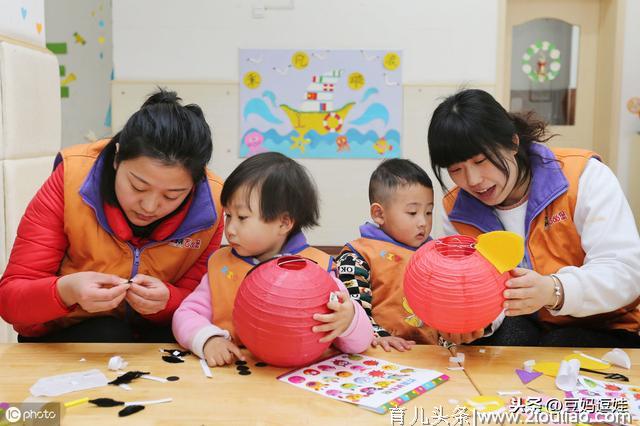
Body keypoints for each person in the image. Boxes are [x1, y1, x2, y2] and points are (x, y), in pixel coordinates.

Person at [0, 89, 225, 342]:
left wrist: (169, 301)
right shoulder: (71, 179)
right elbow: (11, 301)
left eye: (172, 196)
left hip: (156, 336)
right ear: (117, 156)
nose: (150, 206)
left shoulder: (212, 205)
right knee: (108, 332)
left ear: (195, 184)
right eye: (138, 187)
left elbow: (204, 301)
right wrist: (66, 291)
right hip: (66, 337)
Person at [427, 88, 640, 347]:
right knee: (498, 347)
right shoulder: (456, 208)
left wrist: (554, 290)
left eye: (481, 161)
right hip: (526, 325)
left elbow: (624, 272)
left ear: (513, 143)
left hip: (606, 324)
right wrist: (474, 323)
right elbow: (469, 289)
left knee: (559, 344)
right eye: (456, 170)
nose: (473, 181)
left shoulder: (584, 176)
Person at [172, 152, 373, 366]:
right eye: (228, 215)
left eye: (242, 218)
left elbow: (361, 342)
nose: (229, 229)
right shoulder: (221, 265)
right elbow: (185, 314)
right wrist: (207, 339)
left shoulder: (318, 269)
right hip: (237, 378)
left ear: (284, 223)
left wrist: (348, 321)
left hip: (302, 382)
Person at [335, 159, 439, 352]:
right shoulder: (359, 254)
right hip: (381, 351)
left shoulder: (435, 255)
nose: (423, 222)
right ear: (379, 214)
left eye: (429, 212)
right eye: (412, 212)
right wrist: (379, 336)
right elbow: (354, 311)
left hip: (432, 354)